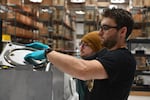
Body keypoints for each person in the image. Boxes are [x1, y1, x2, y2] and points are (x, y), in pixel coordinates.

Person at [24, 8, 136, 100]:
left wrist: (48, 53)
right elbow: (79, 61)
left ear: (122, 31)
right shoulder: (106, 52)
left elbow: (83, 70)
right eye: (100, 28)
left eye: (105, 28)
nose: (100, 33)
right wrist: (52, 52)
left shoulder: (123, 59)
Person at [77, 31, 104, 100]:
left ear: (97, 47)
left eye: (86, 45)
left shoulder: (101, 68)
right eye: (81, 44)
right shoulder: (82, 62)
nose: (81, 47)